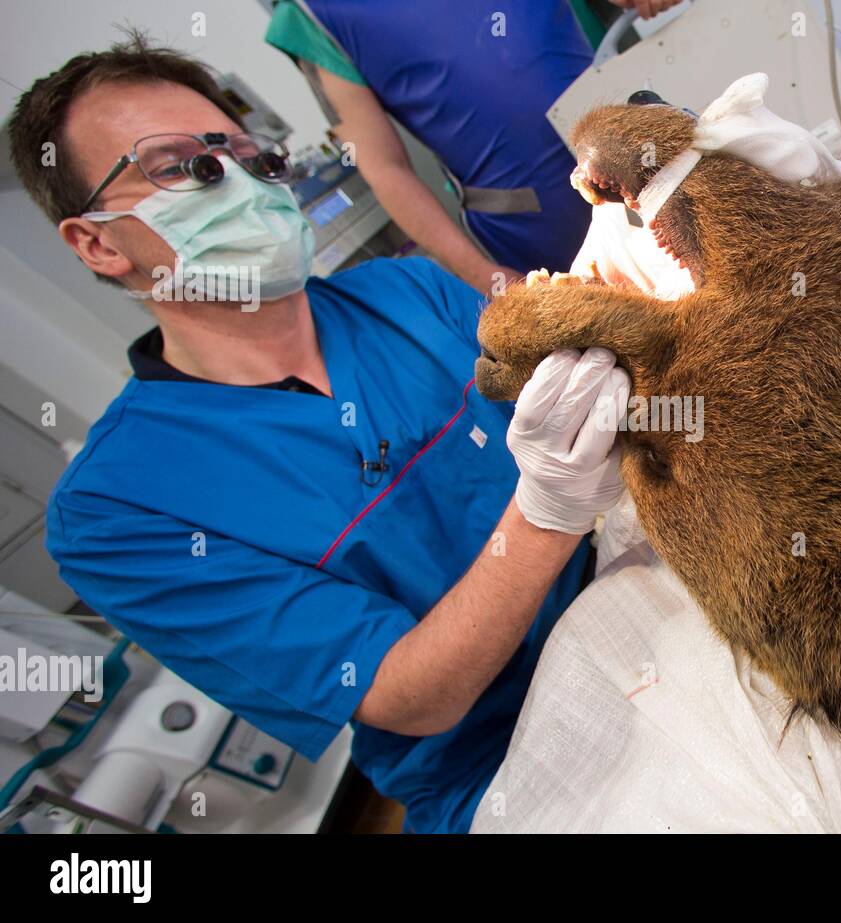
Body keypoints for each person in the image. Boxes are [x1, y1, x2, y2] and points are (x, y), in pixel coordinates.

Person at [8, 35, 628, 833]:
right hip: (511, 756)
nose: (233, 181)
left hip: (632, 599)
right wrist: (549, 506)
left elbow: (601, 405)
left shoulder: (405, 291)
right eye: (179, 167)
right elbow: (415, 693)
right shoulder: (118, 510)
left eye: (244, 156)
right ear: (97, 241)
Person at [263, 0, 684, 293]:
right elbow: (385, 168)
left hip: (644, 156)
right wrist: (484, 276)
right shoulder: (311, 16)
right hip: (532, 232)